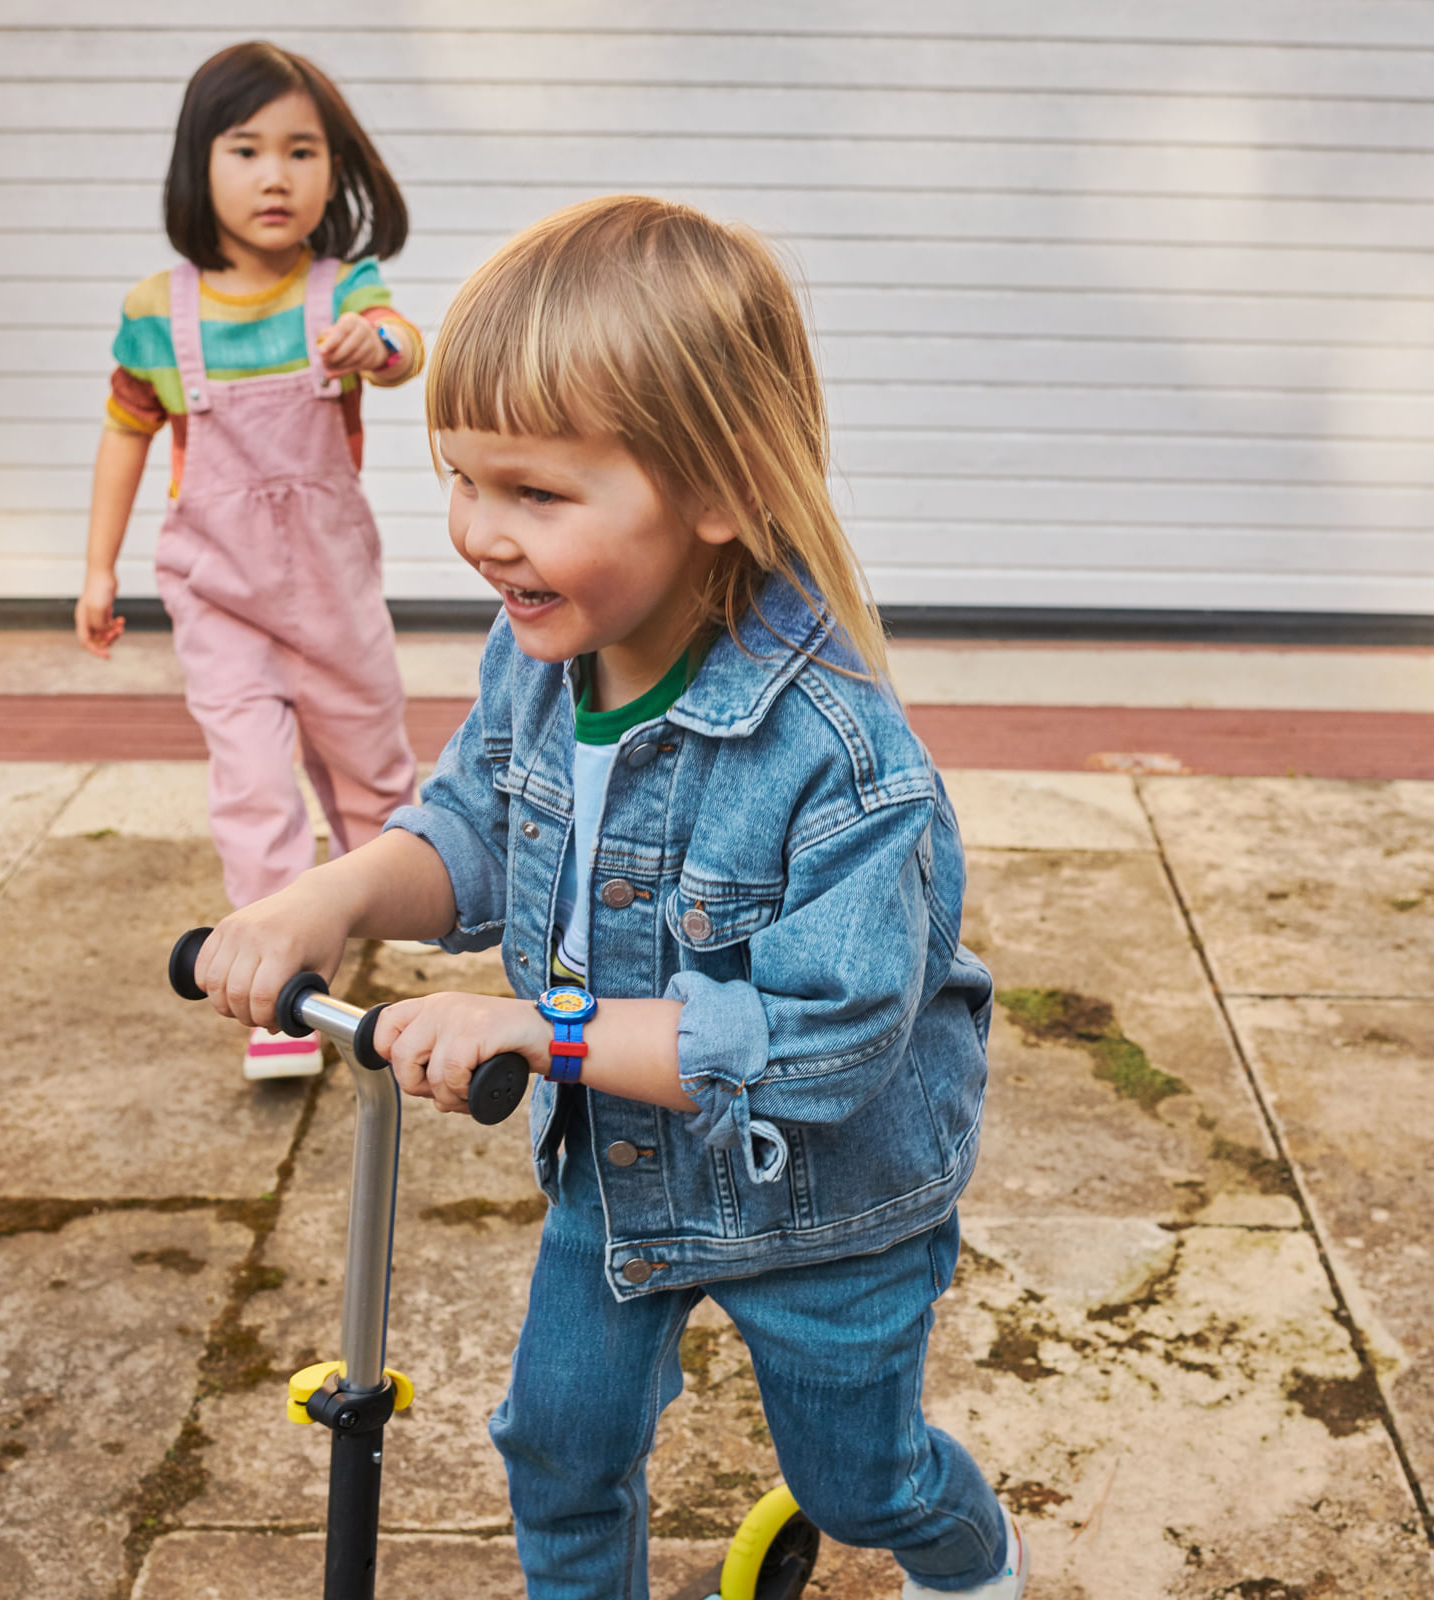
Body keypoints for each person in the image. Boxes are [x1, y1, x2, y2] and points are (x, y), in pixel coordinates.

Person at [190, 195, 1029, 1600]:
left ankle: (972, 1558)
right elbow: (471, 829)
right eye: (462, 478)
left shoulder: (841, 758)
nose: (479, 534)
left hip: (823, 1204)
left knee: (857, 1479)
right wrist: (325, 899)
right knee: (558, 1452)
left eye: (536, 494)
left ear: (718, 488)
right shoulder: (544, 650)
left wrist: (544, 1031)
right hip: (625, 1172)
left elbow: (817, 1042)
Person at [76, 42, 423, 1079]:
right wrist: (98, 570)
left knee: (370, 767)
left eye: (302, 150)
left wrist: (377, 344)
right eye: (246, 149)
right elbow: (126, 433)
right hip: (218, 595)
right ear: (199, 165)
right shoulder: (156, 310)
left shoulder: (342, 293)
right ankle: (279, 983)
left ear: (336, 168)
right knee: (253, 787)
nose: (276, 175)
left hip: (332, 593)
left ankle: (394, 896)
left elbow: (408, 347)